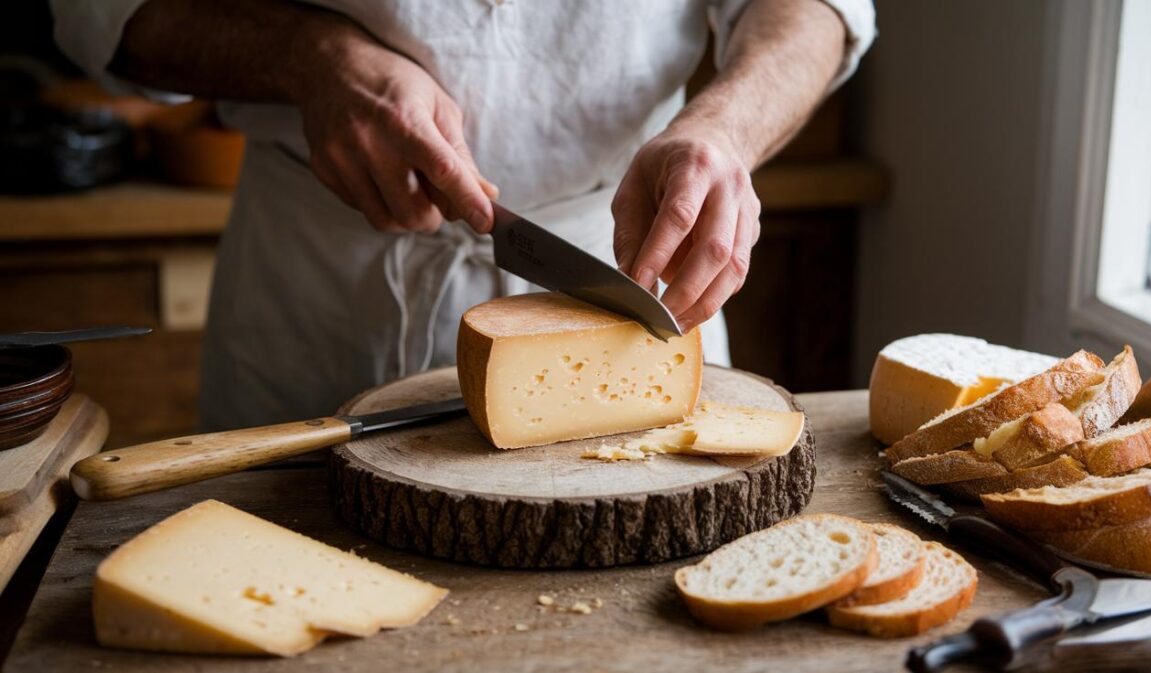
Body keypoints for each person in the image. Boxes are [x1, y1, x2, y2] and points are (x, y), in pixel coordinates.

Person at [52, 0, 875, 430]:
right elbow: (102, 11)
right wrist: (311, 58)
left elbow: (813, 6)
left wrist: (723, 129)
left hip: (627, 276)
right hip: (325, 283)